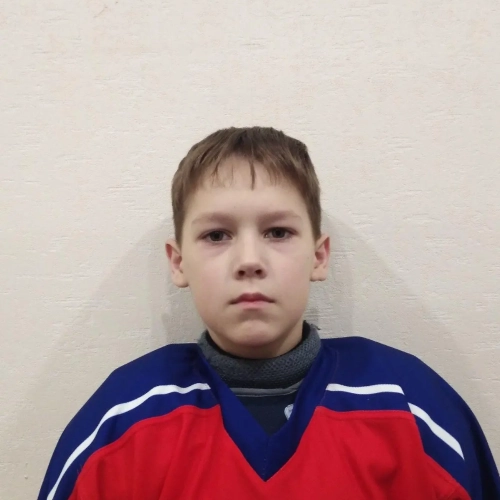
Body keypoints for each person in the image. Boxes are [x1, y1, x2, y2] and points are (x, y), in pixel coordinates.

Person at [38, 127, 500, 499]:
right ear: (178, 263)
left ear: (319, 256)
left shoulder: (412, 408)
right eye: (216, 235)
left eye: (278, 232)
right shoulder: (121, 422)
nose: (249, 260)